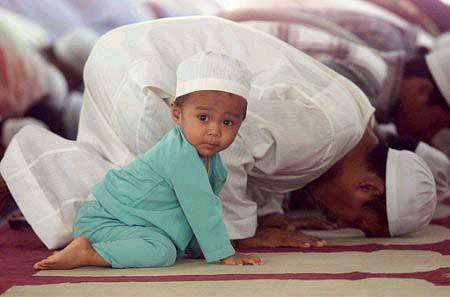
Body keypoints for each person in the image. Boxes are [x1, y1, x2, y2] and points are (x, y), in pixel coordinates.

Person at [0, 16, 438, 251]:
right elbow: (227, 141)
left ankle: (32, 169)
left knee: (131, 208)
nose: (343, 224)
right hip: (146, 80)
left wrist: (265, 213)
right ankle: (30, 159)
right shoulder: (327, 131)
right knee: (168, 218)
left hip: (139, 68)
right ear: (368, 186)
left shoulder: (343, 130)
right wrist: (244, 231)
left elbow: (263, 154)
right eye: (361, 221)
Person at [33, 51, 262, 270]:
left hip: (135, 223)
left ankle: (97, 249)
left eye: (228, 123)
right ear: (176, 114)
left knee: (168, 244)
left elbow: (193, 210)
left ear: (241, 122)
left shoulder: (212, 162)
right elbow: (201, 208)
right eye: (203, 118)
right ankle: (89, 252)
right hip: (107, 221)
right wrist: (223, 253)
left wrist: (200, 247)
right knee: (162, 251)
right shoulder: (181, 156)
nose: (214, 130)